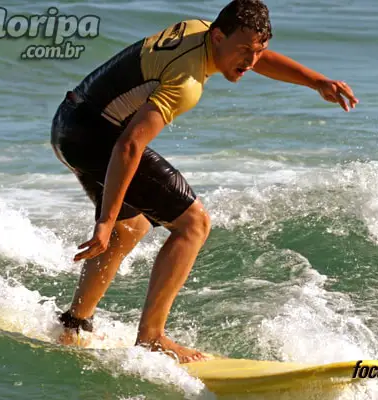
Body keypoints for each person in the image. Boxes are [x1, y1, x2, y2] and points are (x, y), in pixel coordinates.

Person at [50, 0, 358, 363]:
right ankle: (151, 338)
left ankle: (74, 324)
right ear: (218, 36)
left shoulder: (201, 30)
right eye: (243, 51)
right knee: (193, 224)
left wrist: (315, 81)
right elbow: (130, 144)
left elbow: (250, 53)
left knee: (129, 229)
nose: (250, 62)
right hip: (96, 136)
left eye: (258, 51)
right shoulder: (186, 82)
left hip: (72, 122)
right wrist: (103, 221)